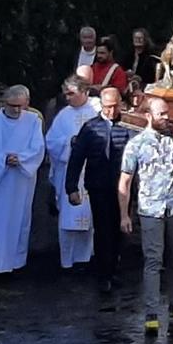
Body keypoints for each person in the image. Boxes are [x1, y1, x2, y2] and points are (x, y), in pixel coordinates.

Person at [120, 89, 173, 338]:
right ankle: (152, 312)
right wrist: (125, 214)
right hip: (151, 209)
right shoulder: (136, 145)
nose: (166, 117)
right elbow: (125, 182)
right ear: (148, 115)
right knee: (153, 259)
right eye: (161, 113)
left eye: (167, 113)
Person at [67, 84, 136, 292]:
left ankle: (114, 269)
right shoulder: (90, 128)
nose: (111, 111)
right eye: (107, 107)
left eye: (115, 106)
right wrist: (71, 187)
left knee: (120, 230)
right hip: (98, 187)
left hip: (122, 188)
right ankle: (103, 274)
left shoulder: (129, 127)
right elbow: (77, 158)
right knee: (103, 230)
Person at [0, 85, 44, 275]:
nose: (16, 110)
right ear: (4, 103)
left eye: (20, 106)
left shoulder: (33, 121)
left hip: (21, 179)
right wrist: (3, 159)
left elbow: (38, 147)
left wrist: (21, 158)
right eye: (12, 105)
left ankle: (17, 263)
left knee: (20, 220)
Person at [44, 75, 99, 271]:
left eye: (71, 93)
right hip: (70, 173)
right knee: (68, 218)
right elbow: (51, 142)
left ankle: (87, 257)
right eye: (65, 94)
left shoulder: (97, 110)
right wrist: (70, 142)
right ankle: (67, 260)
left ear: (85, 92)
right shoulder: (64, 115)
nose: (67, 98)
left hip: (91, 171)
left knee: (90, 218)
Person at [125, 27, 162, 92]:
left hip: (146, 88)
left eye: (140, 38)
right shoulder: (128, 55)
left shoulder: (151, 57)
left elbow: (155, 75)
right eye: (136, 38)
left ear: (145, 40)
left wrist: (140, 78)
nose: (138, 40)